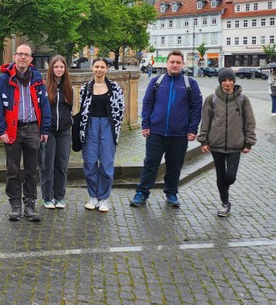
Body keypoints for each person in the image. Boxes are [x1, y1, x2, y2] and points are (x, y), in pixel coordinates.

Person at [130, 50, 202, 209]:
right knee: (150, 164)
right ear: (167, 63)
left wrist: (192, 129)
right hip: (156, 132)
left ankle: (171, 193)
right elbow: (147, 103)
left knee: (174, 165)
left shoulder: (190, 83)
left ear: (183, 64)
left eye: (178, 62)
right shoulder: (157, 81)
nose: (175, 65)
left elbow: (196, 108)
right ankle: (142, 193)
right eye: (172, 62)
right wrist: (145, 125)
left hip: (179, 134)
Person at [0, 44, 51, 222]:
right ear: (14, 57)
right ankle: (15, 205)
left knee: (32, 170)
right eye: (19, 54)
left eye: (26, 55)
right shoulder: (4, 79)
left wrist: (45, 128)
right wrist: (1, 129)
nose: (22, 57)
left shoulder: (37, 78)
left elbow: (44, 106)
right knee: (13, 169)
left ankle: (30, 205)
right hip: (12, 128)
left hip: (33, 127)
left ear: (31, 59)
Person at [197, 67, 256, 217]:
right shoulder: (212, 99)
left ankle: (224, 188)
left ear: (234, 81)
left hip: (235, 145)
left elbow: (249, 122)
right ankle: (225, 203)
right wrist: (203, 140)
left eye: (230, 80)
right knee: (219, 175)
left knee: (230, 176)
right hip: (216, 144)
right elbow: (205, 121)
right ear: (220, 82)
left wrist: (248, 142)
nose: (227, 83)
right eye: (224, 80)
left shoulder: (242, 100)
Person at [76, 58, 125, 212]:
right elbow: (81, 109)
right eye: (96, 66)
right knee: (89, 163)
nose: (99, 69)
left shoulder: (115, 88)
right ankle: (93, 196)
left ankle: (103, 198)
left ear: (107, 69)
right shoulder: (85, 88)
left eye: (102, 67)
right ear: (92, 68)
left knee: (106, 163)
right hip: (90, 126)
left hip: (107, 127)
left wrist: (115, 127)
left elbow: (120, 110)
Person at [40, 55, 73, 209]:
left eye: (61, 67)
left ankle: (60, 197)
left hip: (65, 131)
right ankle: (47, 197)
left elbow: (70, 108)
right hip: (49, 131)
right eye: (56, 67)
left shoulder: (69, 87)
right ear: (51, 69)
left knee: (62, 165)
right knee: (48, 165)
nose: (59, 70)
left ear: (65, 69)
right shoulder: (45, 86)